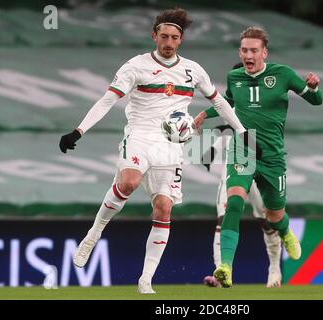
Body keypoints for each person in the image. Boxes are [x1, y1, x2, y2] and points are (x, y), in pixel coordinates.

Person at [58, 8, 248, 294]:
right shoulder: (136, 66)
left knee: (164, 207)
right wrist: (79, 130)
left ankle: (145, 280)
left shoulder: (193, 70)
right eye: (164, 36)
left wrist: (242, 131)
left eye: (174, 37)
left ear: (181, 39)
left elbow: (220, 102)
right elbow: (108, 100)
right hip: (140, 136)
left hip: (172, 145)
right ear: (154, 36)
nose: (168, 42)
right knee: (129, 182)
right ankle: (93, 234)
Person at [194, 26, 323, 288]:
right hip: (243, 149)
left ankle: (285, 232)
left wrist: (313, 88)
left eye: (254, 50)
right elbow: (226, 102)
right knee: (233, 203)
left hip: (272, 156)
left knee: (274, 216)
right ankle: (225, 267)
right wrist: (203, 115)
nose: (248, 55)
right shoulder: (235, 77)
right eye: (244, 50)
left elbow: (316, 101)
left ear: (264, 52)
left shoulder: (283, 74)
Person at [202, 124, 282, 288]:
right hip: (233, 175)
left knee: (267, 221)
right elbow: (210, 152)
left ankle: (274, 268)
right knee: (223, 219)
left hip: (257, 174)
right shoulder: (229, 131)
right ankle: (221, 271)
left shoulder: (261, 124)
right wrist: (209, 154)